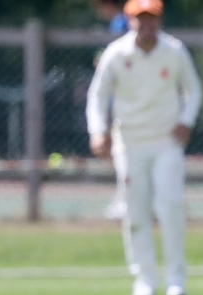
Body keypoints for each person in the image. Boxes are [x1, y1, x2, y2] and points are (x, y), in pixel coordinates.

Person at [86, 0, 203, 295]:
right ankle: (145, 280)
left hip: (166, 142)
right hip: (129, 143)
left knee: (171, 207)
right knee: (135, 212)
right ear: (129, 20)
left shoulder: (174, 51)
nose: (145, 24)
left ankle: (176, 279)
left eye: (151, 18)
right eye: (139, 18)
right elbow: (97, 97)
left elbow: (194, 91)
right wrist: (98, 131)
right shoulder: (116, 53)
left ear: (159, 20)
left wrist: (186, 121)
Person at [92, 0, 129, 221]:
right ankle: (125, 197)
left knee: (119, 151)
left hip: (121, 100)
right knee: (117, 152)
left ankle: (126, 200)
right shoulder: (121, 21)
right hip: (120, 97)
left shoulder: (120, 22)